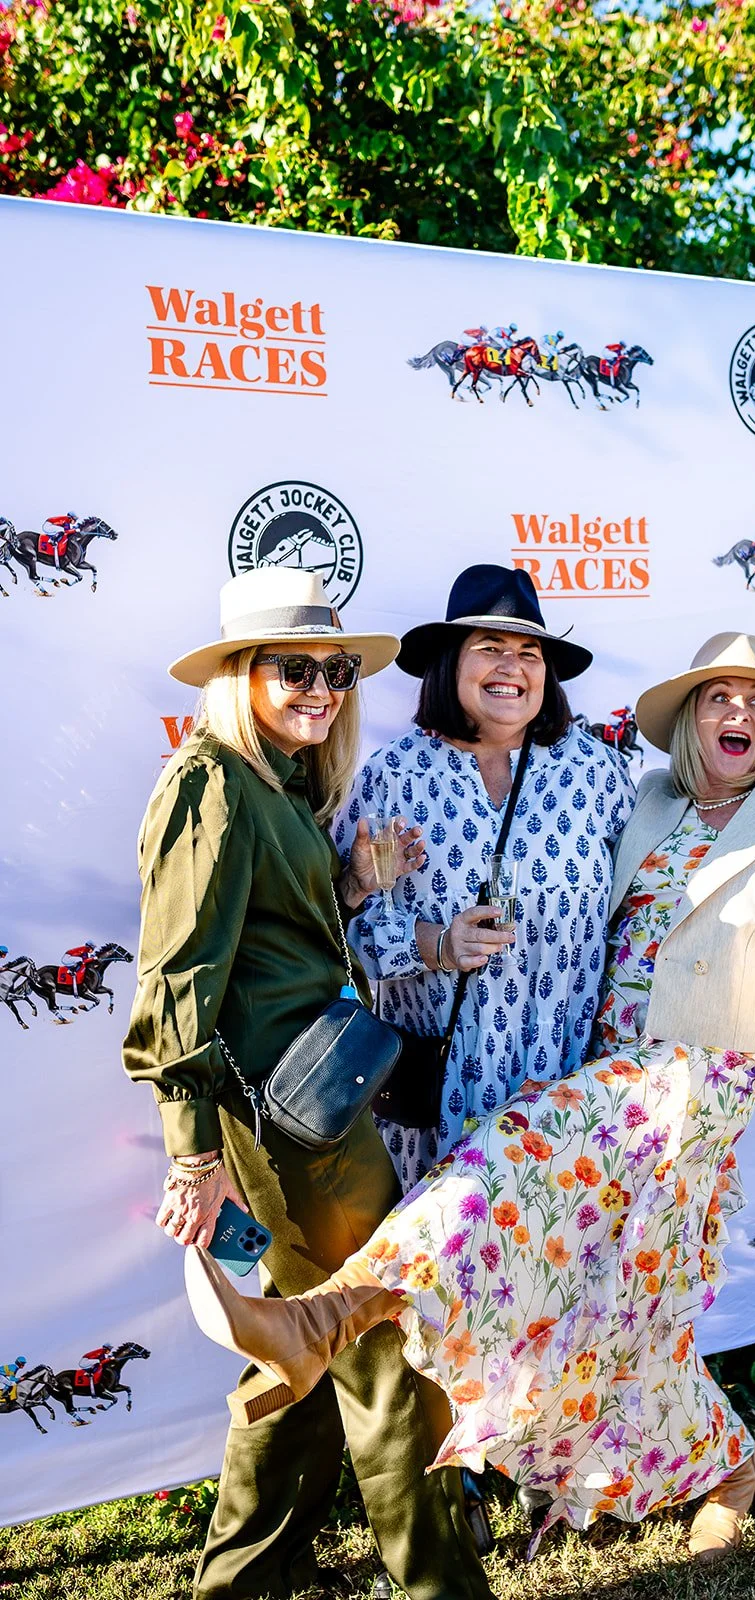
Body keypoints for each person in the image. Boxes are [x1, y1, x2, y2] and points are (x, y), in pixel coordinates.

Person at [184, 627, 755, 1568]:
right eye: (719, 698)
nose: (738, 714)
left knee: (512, 1150)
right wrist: (407, 918)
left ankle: (326, 1315)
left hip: (696, 1075)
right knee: (615, 1303)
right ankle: (722, 1464)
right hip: (607, 1063)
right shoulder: (648, 800)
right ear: (691, 720)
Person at [123, 566, 495, 1600]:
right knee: (376, 1341)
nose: (321, 687)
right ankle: (441, 1586)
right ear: (240, 673)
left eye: (335, 668)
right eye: (294, 668)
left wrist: (353, 885)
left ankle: (246, 1575)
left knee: (302, 1347)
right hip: (286, 1121)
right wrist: (193, 1150)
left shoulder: (273, 780)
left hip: (311, 1106)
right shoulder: (209, 782)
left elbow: (270, 938)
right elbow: (178, 978)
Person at [336, 564, 634, 1192]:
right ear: (450, 662)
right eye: (490, 649)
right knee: (432, 1275)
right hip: (436, 1094)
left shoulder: (597, 773)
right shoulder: (395, 778)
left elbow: (638, 912)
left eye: (529, 653)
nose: (512, 666)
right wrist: (436, 945)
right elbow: (345, 925)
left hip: (567, 1092)